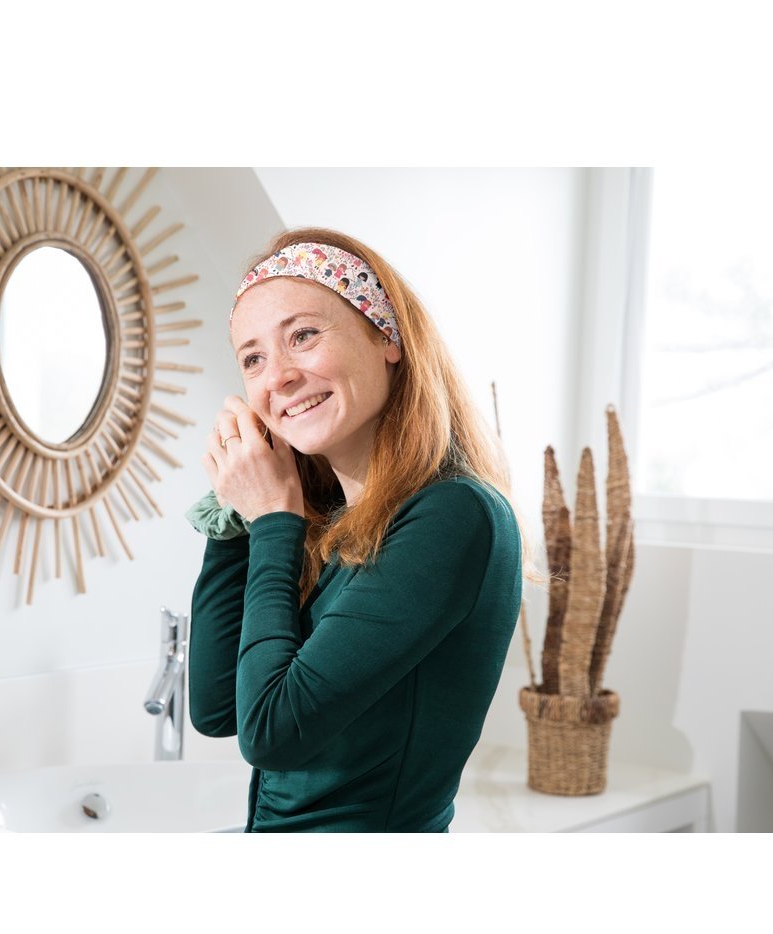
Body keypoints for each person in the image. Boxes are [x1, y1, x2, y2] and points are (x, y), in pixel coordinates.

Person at [184, 227, 545, 832]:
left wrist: (272, 517)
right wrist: (236, 511)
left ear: (387, 337)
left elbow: (272, 734)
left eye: (303, 335)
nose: (278, 377)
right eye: (253, 359)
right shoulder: (330, 522)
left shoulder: (453, 515)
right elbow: (218, 706)